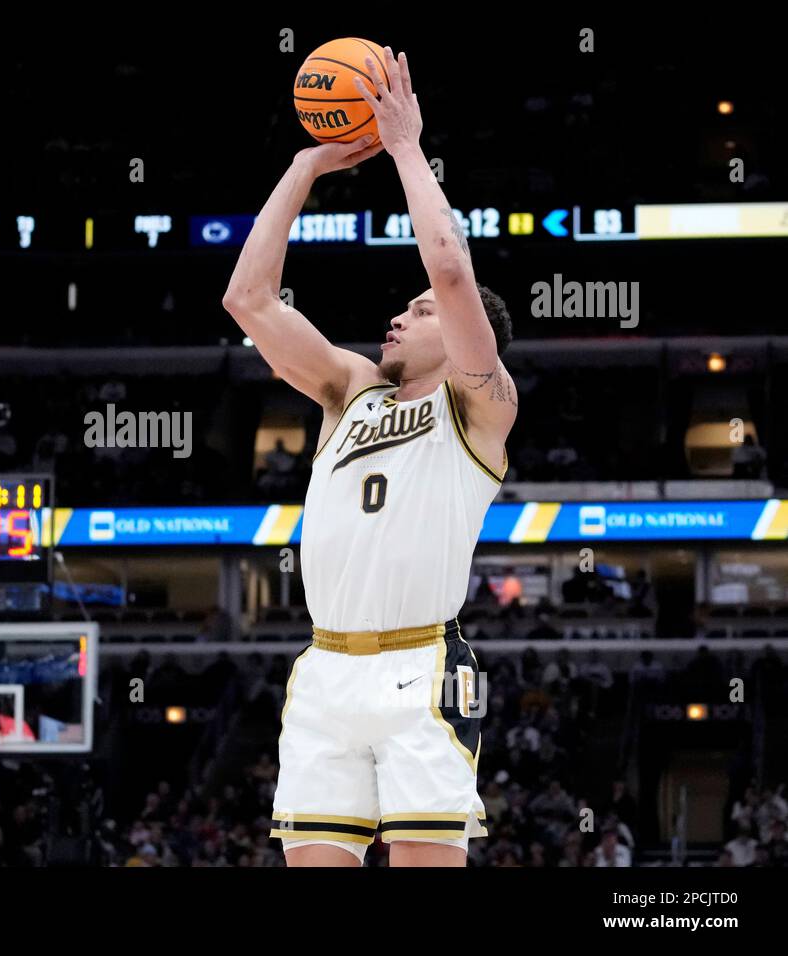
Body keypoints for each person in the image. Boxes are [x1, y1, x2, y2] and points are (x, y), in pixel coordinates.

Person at [224, 46, 516, 867]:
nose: (400, 315)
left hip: (421, 667)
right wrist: (304, 166)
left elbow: (453, 271)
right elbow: (247, 298)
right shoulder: (348, 388)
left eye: (418, 312)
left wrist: (404, 148)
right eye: (402, 305)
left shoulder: (479, 403)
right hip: (324, 669)